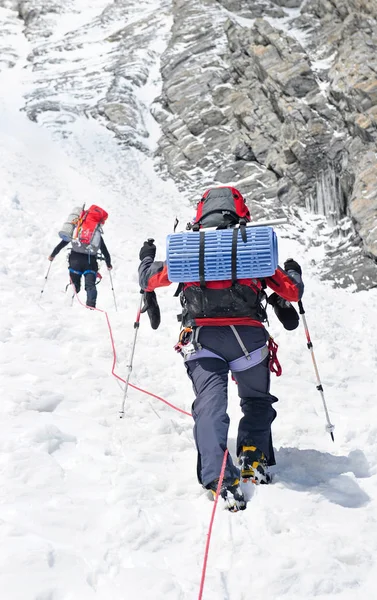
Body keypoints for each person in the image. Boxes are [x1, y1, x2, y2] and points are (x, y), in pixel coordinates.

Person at [138, 187, 304, 512]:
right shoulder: (251, 248)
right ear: (240, 214)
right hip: (249, 341)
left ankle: (220, 481)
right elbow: (292, 291)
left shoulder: (190, 250)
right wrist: (294, 269)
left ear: (201, 215)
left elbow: (149, 278)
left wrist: (147, 255)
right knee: (256, 401)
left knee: (210, 405)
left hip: (202, 342)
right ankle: (253, 460)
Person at [48, 225, 112, 309]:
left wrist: (52, 255)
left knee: (75, 284)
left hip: (75, 261)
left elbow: (62, 243)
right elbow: (105, 252)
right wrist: (108, 264)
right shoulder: (96, 235)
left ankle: (72, 288)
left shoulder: (77, 231)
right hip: (90, 263)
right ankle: (90, 307)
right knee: (90, 285)